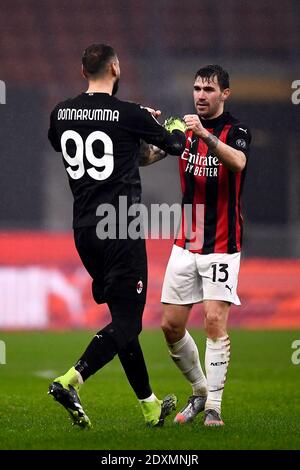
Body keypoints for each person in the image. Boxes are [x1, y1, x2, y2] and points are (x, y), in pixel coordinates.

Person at [47, 43, 186, 428]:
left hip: (84, 230)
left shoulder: (61, 112)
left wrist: (129, 136)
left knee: (121, 319)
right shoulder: (130, 113)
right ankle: (70, 380)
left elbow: (69, 141)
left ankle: (150, 406)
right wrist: (169, 125)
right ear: (115, 67)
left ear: (82, 70)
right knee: (128, 323)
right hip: (120, 226)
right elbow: (173, 145)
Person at [161, 65, 251, 426]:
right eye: (197, 88)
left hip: (223, 243)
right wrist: (145, 135)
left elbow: (239, 163)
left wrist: (206, 136)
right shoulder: (182, 130)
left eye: (209, 90)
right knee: (170, 325)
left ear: (224, 94)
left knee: (213, 321)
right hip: (187, 241)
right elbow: (150, 156)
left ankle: (214, 405)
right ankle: (200, 391)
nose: (200, 95)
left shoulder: (237, 131)